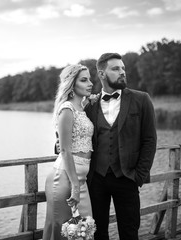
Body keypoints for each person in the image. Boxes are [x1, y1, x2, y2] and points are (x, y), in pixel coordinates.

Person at [84, 52, 157, 240]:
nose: (122, 72)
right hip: (96, 179)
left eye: (123, 68)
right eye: (116, 68)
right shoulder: (89, 105)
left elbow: (150, 140)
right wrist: (60, 145)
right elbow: (77, 135)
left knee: (129, 232)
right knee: (98, 233)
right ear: (101, 74)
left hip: (127, 178)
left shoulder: (141, 99)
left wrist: (138, 176)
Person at [43, 64, 94, 240]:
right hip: (66, 179)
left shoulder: (81, 107)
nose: (90, 83)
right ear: (71, 84)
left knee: (84, 230)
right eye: (84, 80)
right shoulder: (67, 108)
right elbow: (64, 149)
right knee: (65, 232)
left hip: (81, 179)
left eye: (90, 79)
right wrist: (75, 185)